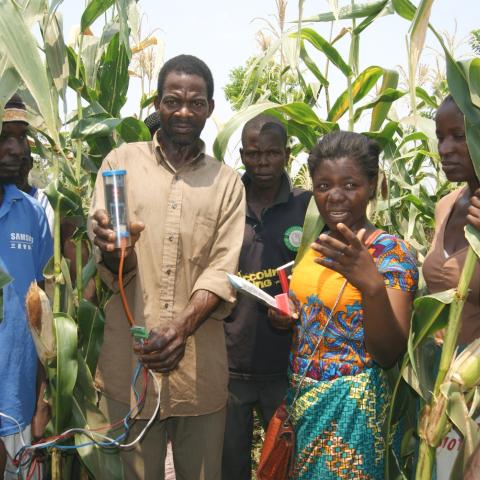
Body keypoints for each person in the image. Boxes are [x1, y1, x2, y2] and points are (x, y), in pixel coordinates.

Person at [88, 54, 245, 480]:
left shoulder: (227, 182)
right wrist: (113, 248)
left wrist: (181, 328)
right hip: (129, 366)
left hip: (199, 375)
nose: (183, 111)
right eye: (173, 100)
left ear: (210, 109)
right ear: (158, 103)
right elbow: (113, 256)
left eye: (196, 102)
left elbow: (222, 266)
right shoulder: (121, 162)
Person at [269, 130, 418, 479]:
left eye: (350, 185)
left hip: (354, 415)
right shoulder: (318, 244)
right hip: (304, 403)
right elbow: (314, 316)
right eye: (323, 186)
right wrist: (286, 317)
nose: (335, 196)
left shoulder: (388, 252)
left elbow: (388, 352)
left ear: (372, 185)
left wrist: (372, 285)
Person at [222, 115, 311, 480]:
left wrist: (297, 310)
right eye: (254, 154)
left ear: (287, 154)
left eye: (272, 153)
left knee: (285, 463)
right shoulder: (226, 201)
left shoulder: (307, 208)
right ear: (242, 154)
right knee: (230, 465)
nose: (262, 163)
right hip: (230, 364)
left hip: (286, 367)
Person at [423, 95, 480, 478]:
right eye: (441, 136)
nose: (444, 149)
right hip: (439, 384)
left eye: (458, 136)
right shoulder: (446, 204)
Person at [0, 95, 53, 478]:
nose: (16, 148)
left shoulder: (32, 212)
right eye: (5, 136)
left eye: (21, 137)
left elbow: (43, 312)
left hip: (16, 402)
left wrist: (42, 401)